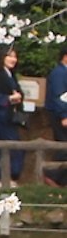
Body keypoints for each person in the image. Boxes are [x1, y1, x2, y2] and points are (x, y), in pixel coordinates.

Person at [0, 44, 25, 185]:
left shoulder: (11, 75)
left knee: (11, 147)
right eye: (10, 56)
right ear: (2, 57)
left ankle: (5, 177)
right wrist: (10, 98)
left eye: (15, 56)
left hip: (9, 116)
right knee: (8, 146)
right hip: (2, 117)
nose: (13, 59)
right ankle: (3, 177)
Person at [45, 45, 67, 186]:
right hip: (60, 114)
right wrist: (64, 115)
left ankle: (61, 179)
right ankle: (51, 175)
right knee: (63, 146)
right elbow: (59, 96)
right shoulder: (59, 73)